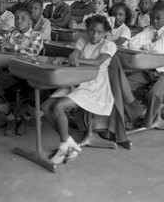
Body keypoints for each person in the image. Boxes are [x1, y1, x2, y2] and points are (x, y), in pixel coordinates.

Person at [42, 15, 116, 164]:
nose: (94, 35)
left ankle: (64, 146)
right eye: (91, 31)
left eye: (99, 32)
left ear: (105, 32)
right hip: (75, 80)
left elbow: (97, 63)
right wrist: (71, 57)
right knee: (45, 107)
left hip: (95, 85)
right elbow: (73, 55)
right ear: (86, 30)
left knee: (58, 107)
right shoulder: (82, 41)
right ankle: (70, 143)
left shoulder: (109, 45)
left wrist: (75, 60)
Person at [0, 10, 44, 136]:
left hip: (30, 73)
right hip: (12, 72)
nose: (19, 20)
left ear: (30, 22)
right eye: (17, 18)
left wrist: (12, 47)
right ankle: (10, 117)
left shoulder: (36, 35)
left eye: (23, 18)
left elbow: (33, 52)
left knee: (43, 90)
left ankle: (25, 118)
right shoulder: (11, 33)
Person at [127, 3, 164, 129]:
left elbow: (159, 48)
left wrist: (144, 45)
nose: (154, 21)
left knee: (154, 93)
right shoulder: (149, 30)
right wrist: (151, 42)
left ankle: (147, 122)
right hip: (148, 71)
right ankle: (138, 113)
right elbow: (132, 43)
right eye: (152, 18)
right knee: (124, 84)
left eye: (158, 18)